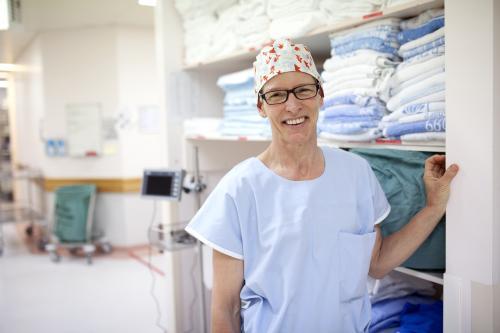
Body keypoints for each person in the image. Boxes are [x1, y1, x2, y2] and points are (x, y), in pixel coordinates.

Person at [185, 38, 459, 333]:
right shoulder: (239, 189)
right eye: (277, 95)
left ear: (320, 96)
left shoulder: (356, 172)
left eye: (303, 90)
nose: (293, 105)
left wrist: (433, 207)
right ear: (261, 107)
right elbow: (225, 309)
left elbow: (377, 264)